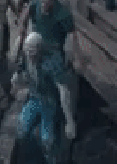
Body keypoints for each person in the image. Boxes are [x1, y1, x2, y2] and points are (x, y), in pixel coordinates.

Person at [11, 33, 76, 164]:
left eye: (33, 51)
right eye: (27, 50)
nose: (30, 54)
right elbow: (20, 73)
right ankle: (28, 156)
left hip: (49, 101)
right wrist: (17, 81)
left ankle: (50, 160)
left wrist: (70, 121)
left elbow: (63, 90)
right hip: (34, 97)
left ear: (40, 49)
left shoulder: (51, 62)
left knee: (47, 139)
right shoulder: (25, 58)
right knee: (21, 128)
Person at [14, 0, 74, 65]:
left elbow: (71, 33)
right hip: (37, 42)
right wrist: (22, 25)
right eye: (42, 2)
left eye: (46, 3)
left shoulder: (63, 13)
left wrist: (71, 52)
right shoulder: (38, 0)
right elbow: (28, 10)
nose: (43, 5)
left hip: (54, 46)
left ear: (52, 2)